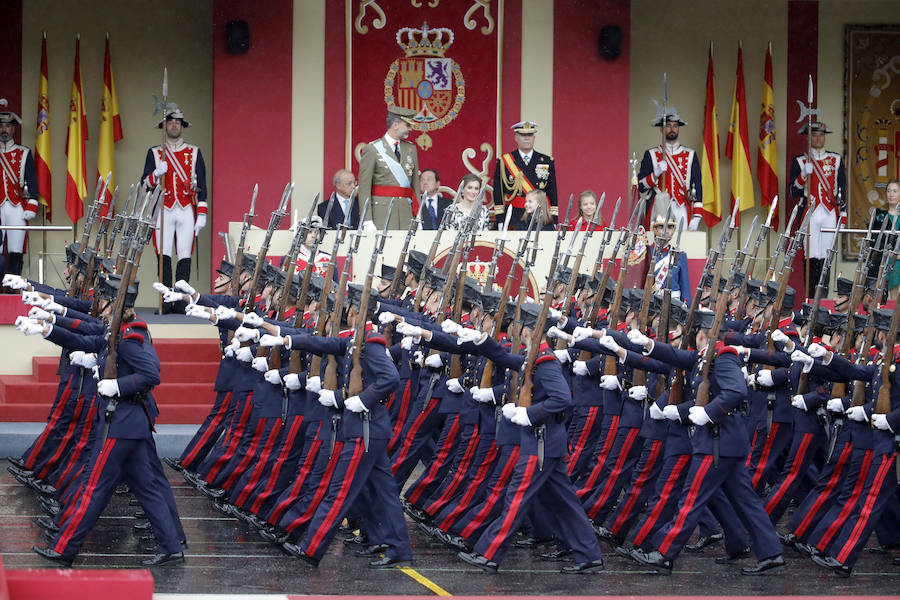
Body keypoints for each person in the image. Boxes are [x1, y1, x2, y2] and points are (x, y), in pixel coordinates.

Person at [142, 104, 208, 304]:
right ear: (165, 126)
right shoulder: (155, 153)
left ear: (182, 126)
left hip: (186, 208)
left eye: (177, 123)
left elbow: (202, 184)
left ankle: (181, 300)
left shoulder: (194, 152)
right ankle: (165, 300)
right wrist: (156, 174)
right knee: (163, 255)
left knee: (185, 254)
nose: (173, 126)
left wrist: (202, 213)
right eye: (170, 122)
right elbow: (144, 186)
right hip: (163, 208)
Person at [789, 121, 847, 299]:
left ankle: (823, 299)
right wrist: (803, 174)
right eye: (814, 135)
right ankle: (811, 298)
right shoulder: (800, 160)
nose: (818, 138)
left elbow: (842, 188)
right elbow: (793, 191)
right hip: (811, 213)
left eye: (821, 135)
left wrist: (843, 217)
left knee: (826, 257)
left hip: (829, 212)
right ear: (808, 137)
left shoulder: (835, 159)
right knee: (811, 256)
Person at [638, 105, 702, 232]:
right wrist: (655, 174)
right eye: (668, 126)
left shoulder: (690, 155)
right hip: (658, 207)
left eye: (675, 126)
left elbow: (697, 186)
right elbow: (641, 186)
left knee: (681, 245)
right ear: (661, 129)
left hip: (682, 207)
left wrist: (697, 216)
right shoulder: (651, 154)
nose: (672, 129)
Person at [357, 106, 420, 229]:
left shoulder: (410, 148)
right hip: (381, 214)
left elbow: (415, 185)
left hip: (406, 213)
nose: (410, 129)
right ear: (395, 125)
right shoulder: (372, 149)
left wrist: (418, 216)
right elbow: (364, 187)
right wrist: (367, 219)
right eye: (407, 125)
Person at [492, 121, 558, 230]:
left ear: (534, 137)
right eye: (523, 135)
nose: (527, 138)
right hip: (514, 216)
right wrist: (500, 219)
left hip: (540, 216)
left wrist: (554, 218)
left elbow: (552, 192)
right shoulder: (504, 161)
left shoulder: (546, 160)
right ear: (516, 137)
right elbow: (498, 192)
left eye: (530, 135)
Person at [0, 98, 39, 277]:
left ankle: (13, 289)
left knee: (16, 249)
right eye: (1, 126)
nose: (4, 129)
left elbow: (32, 179)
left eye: (8, 126)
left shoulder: (24, 152)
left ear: (13, 128)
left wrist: (32, 203)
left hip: (16, 205)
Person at [869, 179, 900, 299]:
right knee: (892, 268)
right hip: (882, 259)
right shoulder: (878, 214)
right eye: (888, 191)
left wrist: (896, 255)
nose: (891, 194)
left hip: (897, 258)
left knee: (896, 266)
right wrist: (890, 255)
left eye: (895, 191)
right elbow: (874, 241)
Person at [650, 215, 691, 305]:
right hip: (651, 304)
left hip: (673, 305)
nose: (666, 231)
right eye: (662, 227)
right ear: (654, 229)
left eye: (670, 227)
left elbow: (685, 289)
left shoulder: (680, 256)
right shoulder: (647, 253)